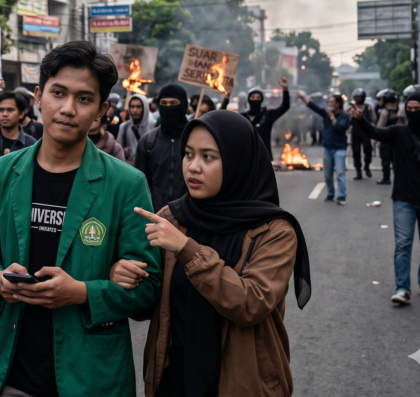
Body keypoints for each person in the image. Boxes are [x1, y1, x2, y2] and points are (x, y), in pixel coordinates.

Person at [0, 41, 162, 397]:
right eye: (58, 93)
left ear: (101, 110)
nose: (68, 109)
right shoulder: (1, 173)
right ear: (39, 97)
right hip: (12, 372)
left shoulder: (126, 184)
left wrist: (81, 292)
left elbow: (148, 289)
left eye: (84, 99)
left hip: (91, 377)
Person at [113, 110, 311, 397]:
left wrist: (187, 249)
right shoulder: (172, 217)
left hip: (241, 380)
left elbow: (250, 303)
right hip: (174, 376)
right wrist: (124, 276)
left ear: (237, 161)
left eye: (208, 157)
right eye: (188, 154)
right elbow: (150, 303)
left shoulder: (275, 231)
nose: (193, 167)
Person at [350, 91, 420, 304]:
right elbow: (375, 132)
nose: (413, 112)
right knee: (402, 244)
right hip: (403, 198)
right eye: (410, 109)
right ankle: (402, 289)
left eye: (418, 109)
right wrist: (360, 119)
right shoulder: (398, 132)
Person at [135, 84, 190, 212]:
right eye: (164, 103)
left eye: (174, 103)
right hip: (155, 216)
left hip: (189, 217)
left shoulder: (195, 140)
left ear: (183, 105)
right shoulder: (147, 142)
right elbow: (138, 185)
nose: (168, 108)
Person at [297, 91, 349, 205]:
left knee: (340, 173)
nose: (329, 104)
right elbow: (313, 106)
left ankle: (341, 196)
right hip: (328, 147)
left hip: (340, 148)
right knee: (327, 174)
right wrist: (302, 97)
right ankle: (330, 194)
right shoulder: (326, 113)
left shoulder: (344, 116)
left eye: (331, 102)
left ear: (337, 104)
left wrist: (331, 117)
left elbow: (340, 128)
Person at [225, 78, 290, 160]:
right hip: (246, 157)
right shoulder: (242, 117)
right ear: (249, 99)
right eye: (253, 97)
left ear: (261, 99)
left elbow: (285, 106)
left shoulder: (268, 115)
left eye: (258, 97)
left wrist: (285, 89)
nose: (255, 99)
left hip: (264, 157)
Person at [117, 92, 155, 164]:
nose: (135, 110)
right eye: (132, 106)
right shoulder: (124, 126)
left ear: (145, 108)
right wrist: (123, 152)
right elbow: (117, 151)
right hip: (129, 167)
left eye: (138, 107)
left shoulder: (154, 125)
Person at [375, 89, 402, 185]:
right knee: (396, 160)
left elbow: (380, 126)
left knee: (385, 160)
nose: (379, 101)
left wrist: (375, 139)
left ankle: (386, 178)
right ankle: (399, 179)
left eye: (381, 99)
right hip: (397, 139)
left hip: (386, 139)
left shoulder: (384, 112)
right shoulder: (399, 110)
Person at [348, 88, 375, 180]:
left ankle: (367, 166)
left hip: (366, 132)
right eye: (356, 97)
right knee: (356, 152)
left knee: (368, 150)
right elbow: (347, 121)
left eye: (359, 97)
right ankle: (358, 172)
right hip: (355, 132)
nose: (357, 99)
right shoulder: (351, 108)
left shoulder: (368, 107)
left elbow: (374, 119)